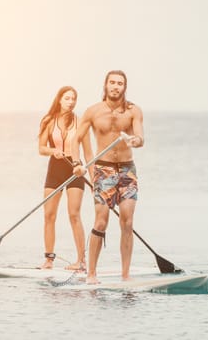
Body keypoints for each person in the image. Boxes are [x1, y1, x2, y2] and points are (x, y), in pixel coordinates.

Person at [71, 70, 144, 284]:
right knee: (101, 222)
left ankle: (125, 275)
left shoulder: (133, 111)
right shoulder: (93, 111)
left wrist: (135, 141)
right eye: (112, 83)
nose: (116, 87)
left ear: (124, 87)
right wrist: (77, 163)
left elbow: (140, 137)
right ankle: (91, 274)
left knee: (127, 222)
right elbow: (76, 140)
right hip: (104, 170)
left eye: (120, 83)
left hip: (127, 170)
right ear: (105, 85)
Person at [38, 86, 93, 271]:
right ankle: (48, 260)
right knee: (49, 215)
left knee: (74, 214)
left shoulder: (81, 122)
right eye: (67, 98)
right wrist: (54, 151)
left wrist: (92, 178)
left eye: (73, 99)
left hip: (75, 169)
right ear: (59, 99)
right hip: (55, 168)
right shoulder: (48, 120)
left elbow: (88, 152)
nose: (71, 102)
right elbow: (41, 148)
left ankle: (81, 261)